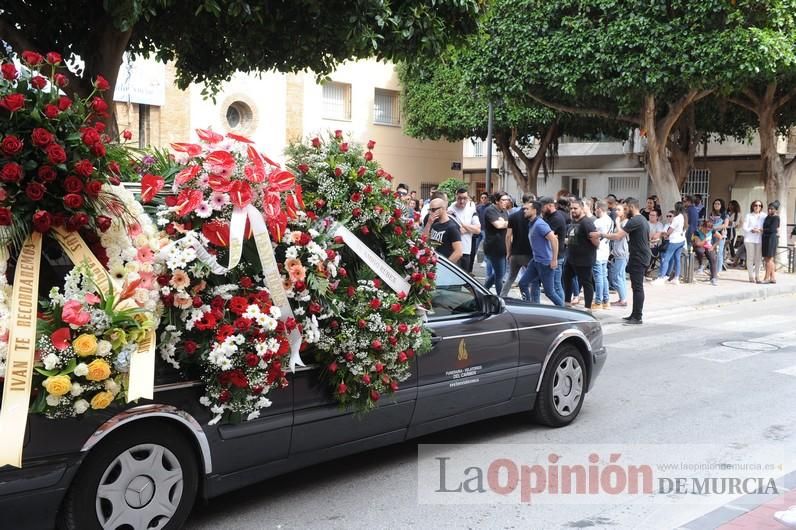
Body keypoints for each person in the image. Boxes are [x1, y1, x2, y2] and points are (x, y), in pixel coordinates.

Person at [596, 197, 650, 325]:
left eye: (626, 208)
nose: (625, 211)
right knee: (636, 287)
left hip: (639, 257)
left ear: (632, 207)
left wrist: (601, 235)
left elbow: (618, 236)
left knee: (637, 288)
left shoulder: (635, 220)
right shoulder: (641, 219)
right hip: (639, 256)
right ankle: (634, 314)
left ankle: (637, 317)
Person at [518, 200, 562, 305]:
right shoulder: (531, 223)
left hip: (545, 262)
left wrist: (554, 259)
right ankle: (528, 306)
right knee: (523, 283)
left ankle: (564, 311)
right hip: (536, 261)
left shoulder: (540, 224)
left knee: (549, 292)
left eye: (527, 209)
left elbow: (554, 239)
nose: (524, 211)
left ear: (534, 210)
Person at [562, 200, 599, 310]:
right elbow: (573, 238)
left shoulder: (587, 223)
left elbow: (596, 241)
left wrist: (588, 249)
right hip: (571, 258)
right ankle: (567, 303)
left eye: (575, 208)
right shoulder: (574, 221)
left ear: (582, 209)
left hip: (584, 259)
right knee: (567, 279)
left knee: (586, 282)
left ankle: (588, 308)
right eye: (571, 208)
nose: (572, 210)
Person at [501, 194, 534, 296]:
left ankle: (502, 297)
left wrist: (508, 252)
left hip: (515, 253)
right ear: (531, 201)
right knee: (533, 279)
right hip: (529, 253)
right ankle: (530, 300)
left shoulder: (512, 216)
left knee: (510, 278)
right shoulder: (531, 217)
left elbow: (508, 236)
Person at [540, 196, 568, 304]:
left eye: (543, 206)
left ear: (550, 205)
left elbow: (546, 234)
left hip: (556, 256)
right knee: (553, 286)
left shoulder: (556, 218)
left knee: (556, 286)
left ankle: (561, 308)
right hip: (549, 254)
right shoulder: (548, 216)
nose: (541, 209)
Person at [652, 201, 687, 285]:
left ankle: (661, 277)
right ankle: (676, 278)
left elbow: (670, 230)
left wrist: (666, 234)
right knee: (677, 259)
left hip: (674, 240)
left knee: (666, 259)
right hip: (681, 240)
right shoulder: (684, 217)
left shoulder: (677, 218)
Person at [482, 192, 510, 295]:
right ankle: (501, 297)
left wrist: (505, 223)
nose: (505, 202)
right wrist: (506, 223)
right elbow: (498, 225)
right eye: (503, 200)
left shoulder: (504, 211)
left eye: (507, 200)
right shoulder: (490, 210)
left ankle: (483, 290)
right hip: (493, 247)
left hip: (503, 247)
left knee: (498, 273)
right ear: (496, 201)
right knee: (500, 275)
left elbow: (506, 226)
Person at [447, 188, 481, 272]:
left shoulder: (471, 209)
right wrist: (469, 228)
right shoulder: (451, 210)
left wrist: (465, 227)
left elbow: (478, 229)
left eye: (464, 198)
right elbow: (452, 229)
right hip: (452, 251)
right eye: (459, 198)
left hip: (466, 250)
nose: (462, 201)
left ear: (468, 198)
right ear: (456, 197)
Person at [423, 197, 463, 263]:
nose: (430, 212)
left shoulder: (452, 227)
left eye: (433, 209)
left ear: (442, 209)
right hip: (434, 263)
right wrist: (429, 223)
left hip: (443, 266)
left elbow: (458, 252)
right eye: (429, 210)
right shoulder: (435, 225)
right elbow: (424, 240)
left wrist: (444, 265)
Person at [592, 201, 613, 309]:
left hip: (598, 251)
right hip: (606, 251)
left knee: (598, 277)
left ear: (600, 209)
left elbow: (592, 236)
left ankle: (598, 301)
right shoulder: (610, 220)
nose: (595, 211)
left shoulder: (598, 222)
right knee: (604, 276)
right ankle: (606, 300)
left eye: (595, 208)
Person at [609, 204, 629, 308]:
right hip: (616, 252)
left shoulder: (625, 222)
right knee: (620, 277)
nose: (616, 211)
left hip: (622, 253)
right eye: (615, 209)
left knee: (616, 277)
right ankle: (623, 298)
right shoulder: (619, 222)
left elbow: (620, 234)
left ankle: (623, 299)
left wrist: (617, 223)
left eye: (619, 209)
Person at [743, 199, 766, 283]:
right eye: (756, 205)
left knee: (758, 259)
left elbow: (766, 226)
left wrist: (761, 229)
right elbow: (744, 227)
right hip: (749, 239)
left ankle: (757, 276)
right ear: (753, 206)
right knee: (750, 258)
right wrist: (752, 229)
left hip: (759, 239)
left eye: (759, 205)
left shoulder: (764, 216)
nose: (757, 207)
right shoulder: (749, 215)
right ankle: (751, 276)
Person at [693, 218, 720, 286]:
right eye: (706, 230)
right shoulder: (697, 232)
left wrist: (713, 246)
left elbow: (720, 237)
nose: (708, 232)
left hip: (708, 246)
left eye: (709, 231)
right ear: (703, 227)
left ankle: (714, 278)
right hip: (699, 246)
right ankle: (701, 265)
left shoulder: (712, 231)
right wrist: (705, 239)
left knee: (713, 258)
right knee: (700, 251)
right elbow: (698, 244)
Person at [762, 200, 780, 284]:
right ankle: (772, 278)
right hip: (765, 238)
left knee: (769, 259)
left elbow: (773, 229)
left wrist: (762, 230)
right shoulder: (767, 217)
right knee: (767, 259)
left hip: (772, 238)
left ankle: (766, 278)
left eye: (772, 209)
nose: (769, 210)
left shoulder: (776, 218)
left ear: (776, 210)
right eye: (769, 209)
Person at [708, 198, 729, 274]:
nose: (716, 205)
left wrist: (715, 227)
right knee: (712, 252)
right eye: (715, 203)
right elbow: (709, 223)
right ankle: (713, 269)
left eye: (718, 204)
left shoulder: (725, 214)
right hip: (712, 234)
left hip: (721, 234)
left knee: (719, 252)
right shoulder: (712, 213)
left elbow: (725, 224)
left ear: (721, 205)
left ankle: (718, 270)